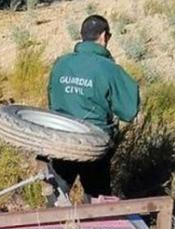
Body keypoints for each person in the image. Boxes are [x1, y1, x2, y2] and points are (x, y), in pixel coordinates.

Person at [47, 14, 140, 198]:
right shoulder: (110, 69)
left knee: (57, 194)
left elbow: (51, 98)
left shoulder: (60, 64)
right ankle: (95, 221)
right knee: (96, 196)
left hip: (60, 138)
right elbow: (129, 111)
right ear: (104, 36)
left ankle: (53, 220)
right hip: (93, 144)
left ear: (82, 35)